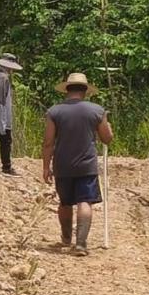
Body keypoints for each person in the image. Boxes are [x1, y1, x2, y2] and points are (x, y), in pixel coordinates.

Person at [42, 72, 113, 257]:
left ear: (67, 90)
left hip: (62, 165)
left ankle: (66, 238)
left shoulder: (54, 112)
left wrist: (45, 166)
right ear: (85, 91)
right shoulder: (97, 111)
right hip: (86, 165)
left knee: (65, 202)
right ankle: (81, 244)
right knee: (85, 201)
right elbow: (107, 138)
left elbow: (48, 142)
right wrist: (109, 128)